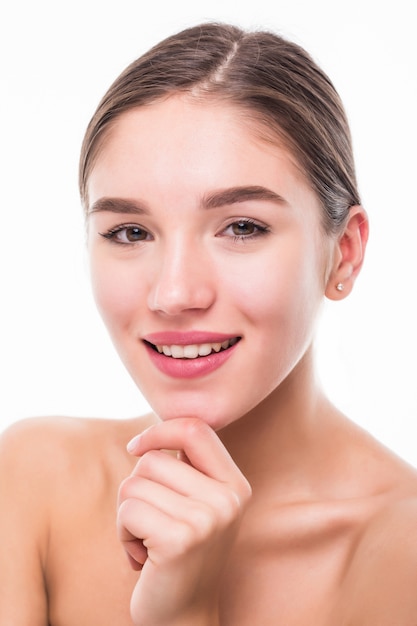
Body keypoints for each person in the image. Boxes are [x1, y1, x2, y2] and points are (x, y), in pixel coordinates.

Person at [1, 21, 417, 626]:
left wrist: (185, 614)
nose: (174, 294)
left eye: (242, 227)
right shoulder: (28, 483)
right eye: (129, 232)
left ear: (344, 252)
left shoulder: (403, 556)